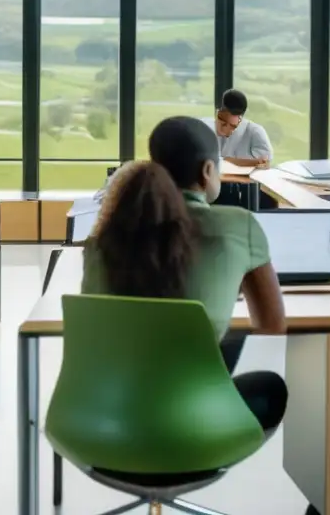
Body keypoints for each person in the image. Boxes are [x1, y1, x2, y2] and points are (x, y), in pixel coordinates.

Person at [82, 116, 288, 434]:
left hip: (100, 423)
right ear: (208, 171)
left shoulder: (104, 235)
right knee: (269, 385)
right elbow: (271, 328)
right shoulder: (239, 225)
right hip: (192, 428)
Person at [203, 89, 273, 168]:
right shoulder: (204, 127)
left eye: (232, 126)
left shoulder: (256, 132)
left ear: (240, 119)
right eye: (223, 123)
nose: (226, 130)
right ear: (217, 112)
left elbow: (265, 162)